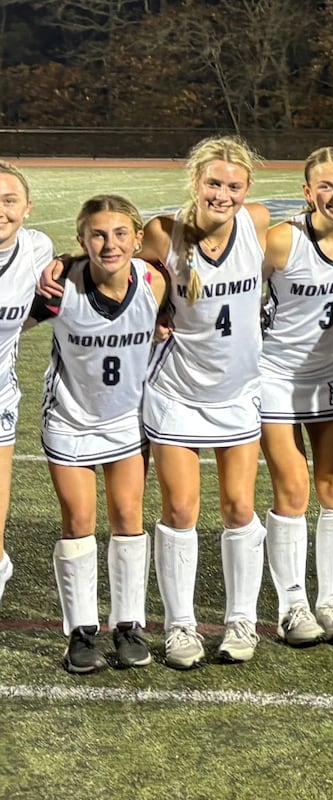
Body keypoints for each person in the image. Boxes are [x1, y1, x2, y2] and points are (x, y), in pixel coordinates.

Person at [142, 135, 270, 669]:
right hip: (177, 391)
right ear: (195, 181)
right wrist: (153, 313)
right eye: (214, 183)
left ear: (247, 190)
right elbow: (128, 276)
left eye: (233, 185)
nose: (223, 194)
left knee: (240, 508)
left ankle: (242, 619)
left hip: (237, 392)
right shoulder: (162, 232)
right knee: (179, 510)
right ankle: (180, 627)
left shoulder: (258, 222)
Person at [39, 195, 166, 673]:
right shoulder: (61, 286)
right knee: (78, 520)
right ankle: (81, 630)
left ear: (136, 239)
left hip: (127, 420)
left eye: (119, 234)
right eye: (97, 234)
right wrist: (61, 263)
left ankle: (129, 624)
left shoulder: (155, 282)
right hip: (70, 419)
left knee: (129, 517)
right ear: (81, 240)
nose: (109, 243)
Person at [259, 147, 333, 647]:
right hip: (274, 373)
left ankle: (332, 599)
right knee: (293, 489)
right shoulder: (282, 241)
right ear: (307, 193)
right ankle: (293, 604)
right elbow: (228, 277)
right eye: (324, 185)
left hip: (332, 373)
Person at [0, 161, 53, 610]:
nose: (1, 209)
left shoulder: (37, 249)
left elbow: (50, 304)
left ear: (27, 208)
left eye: (9, 200)